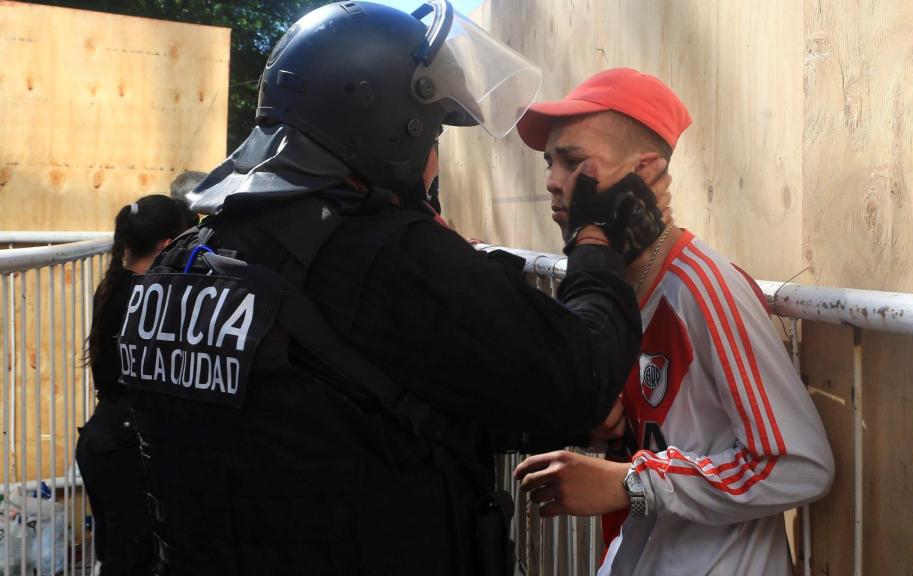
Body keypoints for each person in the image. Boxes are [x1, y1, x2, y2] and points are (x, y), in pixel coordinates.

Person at [114, 3, 672, 574]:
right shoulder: (386, 256)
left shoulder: (187, 258)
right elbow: (576, 379)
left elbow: (335, 402)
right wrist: (595, 237)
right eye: (432, 135)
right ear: (390, 133)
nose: (433, 163)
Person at [513, 68, 835, 576]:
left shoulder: (703, 287)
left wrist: (630, 483)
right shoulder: (613, 292)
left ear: (644, 173)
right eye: (550, 162)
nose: (553, 181)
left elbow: (797, 465)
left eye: (573, 161)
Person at [77, 194, 196, 576]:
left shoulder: (115, 284)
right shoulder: (153, 296)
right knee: (134, 561)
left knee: (120, 558)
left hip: (106, 438)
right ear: (167, 245)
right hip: (129, 447)